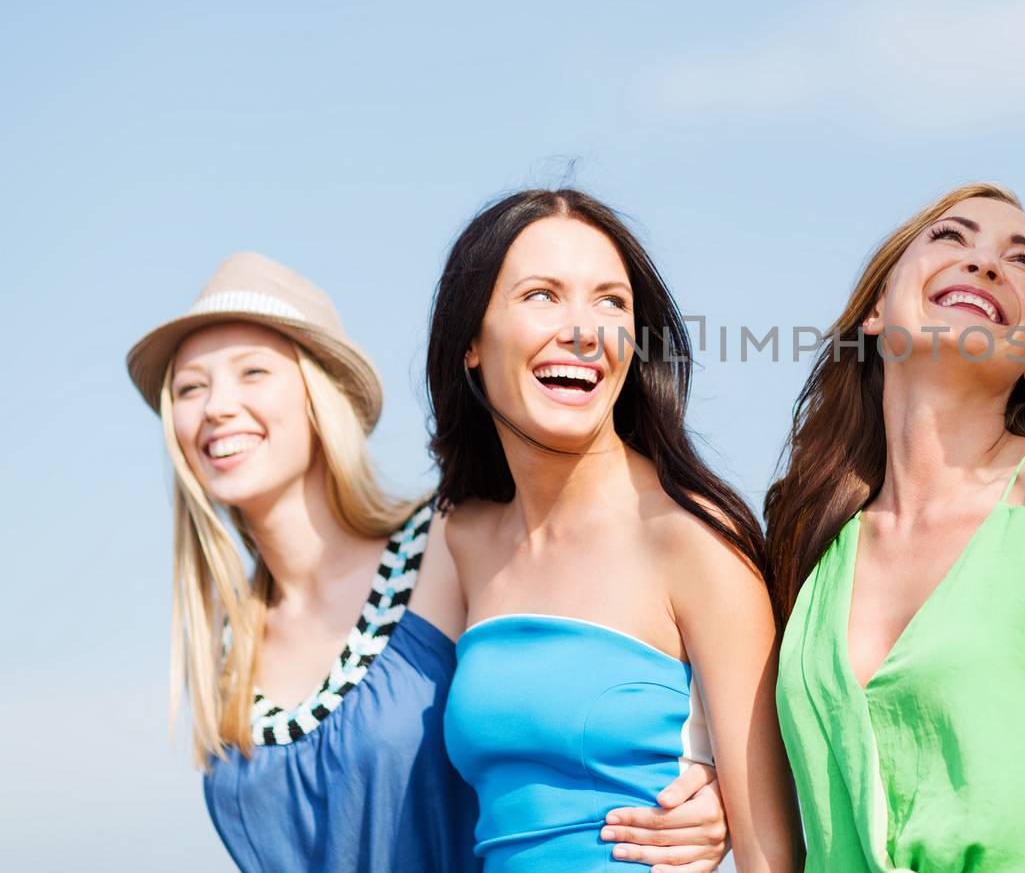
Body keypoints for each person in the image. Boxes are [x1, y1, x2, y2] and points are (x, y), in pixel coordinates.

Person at [126, 251, 732, 872]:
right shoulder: (220, 648)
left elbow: (612, 638)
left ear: (321, 397)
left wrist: (712, 775)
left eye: (252, 373)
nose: (216, 406)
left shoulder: (443, 543)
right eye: (190, 388)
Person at [767, 183, 1025, 872]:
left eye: (1024, 261)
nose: (985, 264)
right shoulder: (808, 541)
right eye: (952, 237)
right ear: (875, 311)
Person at [428, 188, 803, 872]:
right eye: (542, 294)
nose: (584, 329)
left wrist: (723, 799)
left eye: (611, 302)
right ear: (470, 344)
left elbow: (771, 853)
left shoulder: (692, 539)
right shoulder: (461, 540)